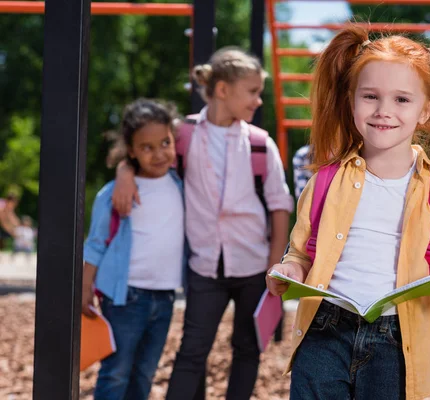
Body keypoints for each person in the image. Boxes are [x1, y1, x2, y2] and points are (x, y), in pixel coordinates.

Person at [266, 26, 430, 400]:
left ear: (426, 109)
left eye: (401, 99)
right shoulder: (325, 181)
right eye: (370, 96)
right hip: (324, 331)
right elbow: (300, 253)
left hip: (398, 342)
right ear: (351, 100)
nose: (384, 111)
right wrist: (289, 270)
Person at [112, 47, 294, 400]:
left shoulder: (261, 144)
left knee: (248, 348)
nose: (258, 100)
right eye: (252, 91)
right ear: (223, 90)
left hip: (254, 267)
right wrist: (124, 171)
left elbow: (279, 207)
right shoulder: (183, 135)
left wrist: (275, 266)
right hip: (204, 267)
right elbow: (146, 153)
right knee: (193, 351)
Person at [82, 99, 186, 400]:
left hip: (165, 297)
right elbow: (96, 242)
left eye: (165, 142)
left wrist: (125, 169)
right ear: (131, 151)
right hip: (126, 296)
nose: (158, 153)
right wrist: (85, 285)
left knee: (145, 373)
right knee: (116, 371)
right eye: (146, 147)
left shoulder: (178, 183)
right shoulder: (115, 193)